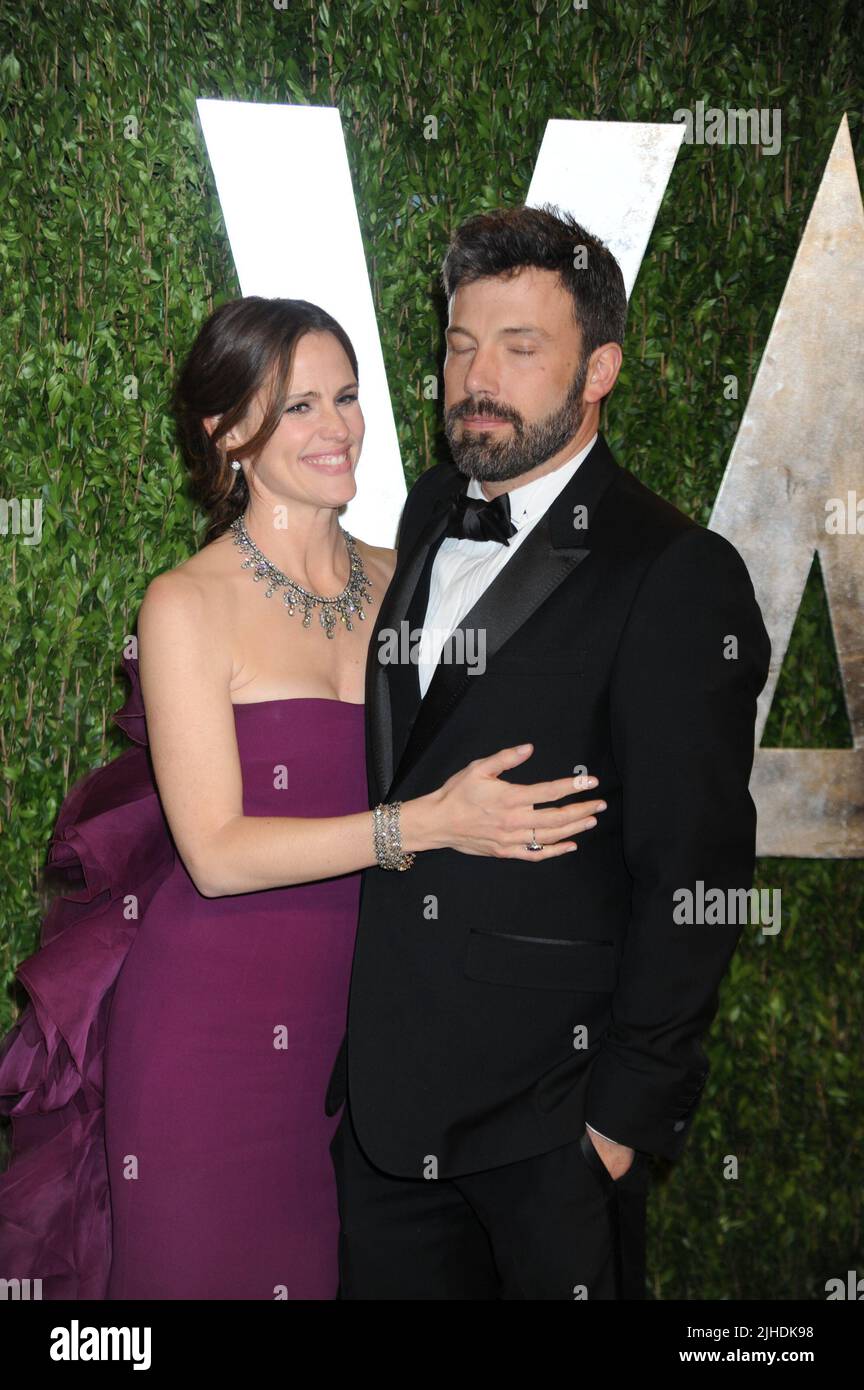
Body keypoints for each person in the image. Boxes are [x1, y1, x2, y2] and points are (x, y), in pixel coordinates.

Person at [0, 296, 601, 1299]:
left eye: (349, 397)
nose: (338, 429)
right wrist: (420, 826)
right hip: (207, 1031)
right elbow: (218, 853)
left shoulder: (410, 580)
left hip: (368, 1044)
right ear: (227, 432)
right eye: (299, 408)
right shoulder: (184, 601)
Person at [324, 204, 773, 1300]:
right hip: (386, 1115)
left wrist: (615, 1129)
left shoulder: (673, 572)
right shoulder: (432, 510)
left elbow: (697, 871)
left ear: (600, 367)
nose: (477, 377)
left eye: (521, 348)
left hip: (548, 1131)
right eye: (461, 343)